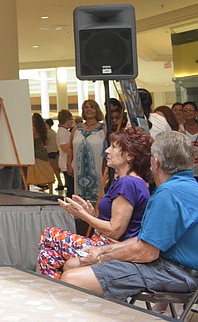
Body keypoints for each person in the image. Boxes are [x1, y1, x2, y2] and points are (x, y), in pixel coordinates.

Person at [61, 131, 198, 301]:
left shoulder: (168, 193)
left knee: (71, 279)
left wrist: (101, 258)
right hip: (178, 268)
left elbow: (146, 252)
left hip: (176, 271)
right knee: (72, 265)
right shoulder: (189, 187)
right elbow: (147, 239)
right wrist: (102, 250)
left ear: (155, 163)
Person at [37, 126, 152, 279]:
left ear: (129, 155)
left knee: (49, 234)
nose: (107, 151)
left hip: (107, 246)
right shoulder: (130, 181)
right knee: (47, 255)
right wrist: (91, 214)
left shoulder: (128, 183)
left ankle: (56, 294)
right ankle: (57, 295)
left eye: (114, 147)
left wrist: (83, 215)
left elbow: (114, 230)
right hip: (103, 242)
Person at [68, 99, 107, 202]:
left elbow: (108, 149)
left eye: (92, 107)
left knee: (98, 197)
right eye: (86, 107)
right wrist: (69, 164)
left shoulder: (104, 129)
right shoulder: (76, 129)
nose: (89, 109)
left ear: (97, 110)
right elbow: (70, 148)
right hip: (78, 169)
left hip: (98, 169)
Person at [27, 113, 55, 189]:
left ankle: (27, 188)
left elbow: (31, 141)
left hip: (35, 152)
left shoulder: (33, 130)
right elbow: (46, 142)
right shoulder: (43, 130)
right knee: (46, 170)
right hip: (43, 151)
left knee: (33, 172)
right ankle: (50, 190)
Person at [56, 109, 74, 195]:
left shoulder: (65, 131)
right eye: (71, 120)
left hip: (66, 160)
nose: (72, 122)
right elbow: (64, 147)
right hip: (65, 161)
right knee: (70, 185)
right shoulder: (63, 132)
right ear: (67, 120)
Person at [44, 117, 62, 189]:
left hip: (50, 152)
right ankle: (59, 182)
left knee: (52, 169)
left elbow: (46, 142)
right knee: (56, 168)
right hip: (55, 151)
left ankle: (58, 182)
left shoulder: (47, 132)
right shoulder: (54, 132)